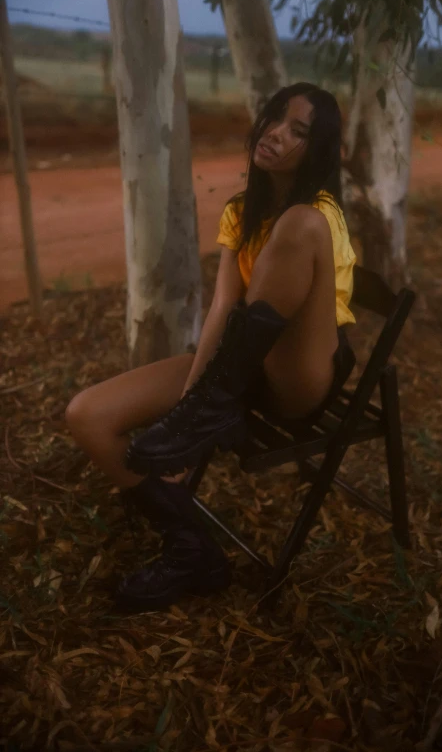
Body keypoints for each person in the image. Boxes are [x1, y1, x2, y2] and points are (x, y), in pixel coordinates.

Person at [65, 82, 357, 612]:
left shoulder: (321, 215)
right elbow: (223, 312)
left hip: (300, 372)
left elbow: (295, 293)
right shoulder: (242, 211)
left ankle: (211, 409)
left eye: (299, 131)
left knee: (298, 223)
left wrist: (203, 406)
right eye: (274, 117)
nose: (275, 133)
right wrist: (187, 410)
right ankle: (190, 545)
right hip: (236, 373)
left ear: (316, 151)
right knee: (86, 414)